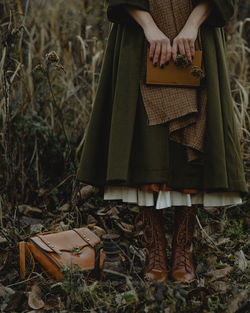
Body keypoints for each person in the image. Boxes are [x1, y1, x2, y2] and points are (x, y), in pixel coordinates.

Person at [76, 0, 247, 283]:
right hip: (140, 35)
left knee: (192, 140)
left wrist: (192, 26)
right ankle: (154, 251)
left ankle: (183, 250)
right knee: (146, 143)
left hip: (195, 36)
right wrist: (149, 27)